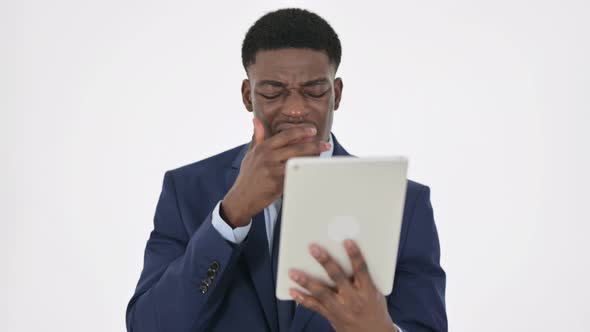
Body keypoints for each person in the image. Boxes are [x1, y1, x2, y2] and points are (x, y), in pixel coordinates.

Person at [126, 8, 447, 332]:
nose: (295, 108)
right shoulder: (186, 191)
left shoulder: (404, 203)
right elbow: (147, 326)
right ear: (247, 95)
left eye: (314, 90)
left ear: (335, 94)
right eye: (272, 91)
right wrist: (230, 215)